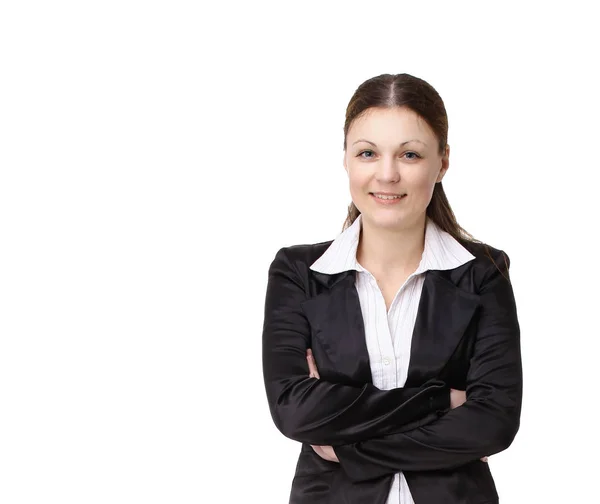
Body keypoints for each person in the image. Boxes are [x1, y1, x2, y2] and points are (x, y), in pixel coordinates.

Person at [261, 73, 522, 504]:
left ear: (442, 163)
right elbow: (295, 410)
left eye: (410, 155)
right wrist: (441, 399)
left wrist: (349, 447)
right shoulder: (298, 272)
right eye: (367, 153)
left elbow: (493, 422)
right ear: (346, 159)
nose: (387, 174)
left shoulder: (483, 273)